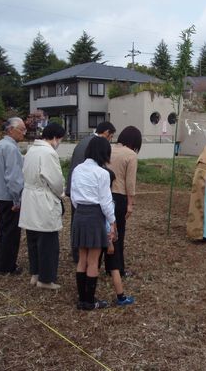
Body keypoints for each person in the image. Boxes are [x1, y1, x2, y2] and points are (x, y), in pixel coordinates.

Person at [71, 137, 117, 310]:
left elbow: (74, 197)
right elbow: (106, 202)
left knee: (82, 259)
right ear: (104, 153)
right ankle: (90, 301)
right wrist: (112, 222)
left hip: (79, 214)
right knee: (93, 260)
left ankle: (82, 299)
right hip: (95, 215)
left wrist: (81, 210)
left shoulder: (77, 169)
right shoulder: (102, 173)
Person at [19, 123, 66, 290]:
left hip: (30, 197)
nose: (59, 142)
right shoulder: (48, 152)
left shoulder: (32, 150)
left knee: (33, 238)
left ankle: (36, 274)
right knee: (48, 242)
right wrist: (61, 193)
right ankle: (45, 279)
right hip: (43, 199)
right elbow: (56, 180)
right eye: (60, 139)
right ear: (54, 137)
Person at [66, 121, 116, 263]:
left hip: (76, 190)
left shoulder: (82, 142)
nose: (110, 141)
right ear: (106, 133)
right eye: (111, 137)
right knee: (93, 228)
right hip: (90, 194)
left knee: (77, 223)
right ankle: (88, 254)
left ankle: (78, 253)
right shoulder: (95, 144)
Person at [0, 117, 26, 275]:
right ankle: (7, 266)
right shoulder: (10, 148)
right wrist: (17, 199)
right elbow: (13, 177)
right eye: (21, 129)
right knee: (11, 233)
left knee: (3, 230)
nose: (24, 133)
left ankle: (0, 263)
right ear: (11, 130)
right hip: (9, 196)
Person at [106, 125, 142, 278]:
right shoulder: (131, 155)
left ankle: (106, 266)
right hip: (119, 197)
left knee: (106, 232)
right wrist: (130, 203)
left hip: (104, 195)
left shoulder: (108, 149)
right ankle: (117, 268)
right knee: (118, 233)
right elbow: (130, 182)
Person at [103, 167, 134, 306]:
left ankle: (86, 294)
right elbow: (110, 222)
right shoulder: (109, 201)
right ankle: (121, 297)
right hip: (108, 238)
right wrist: (110, 242)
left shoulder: (95, 198)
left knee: (91, 263)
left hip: (95, 236)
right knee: (114, 267)